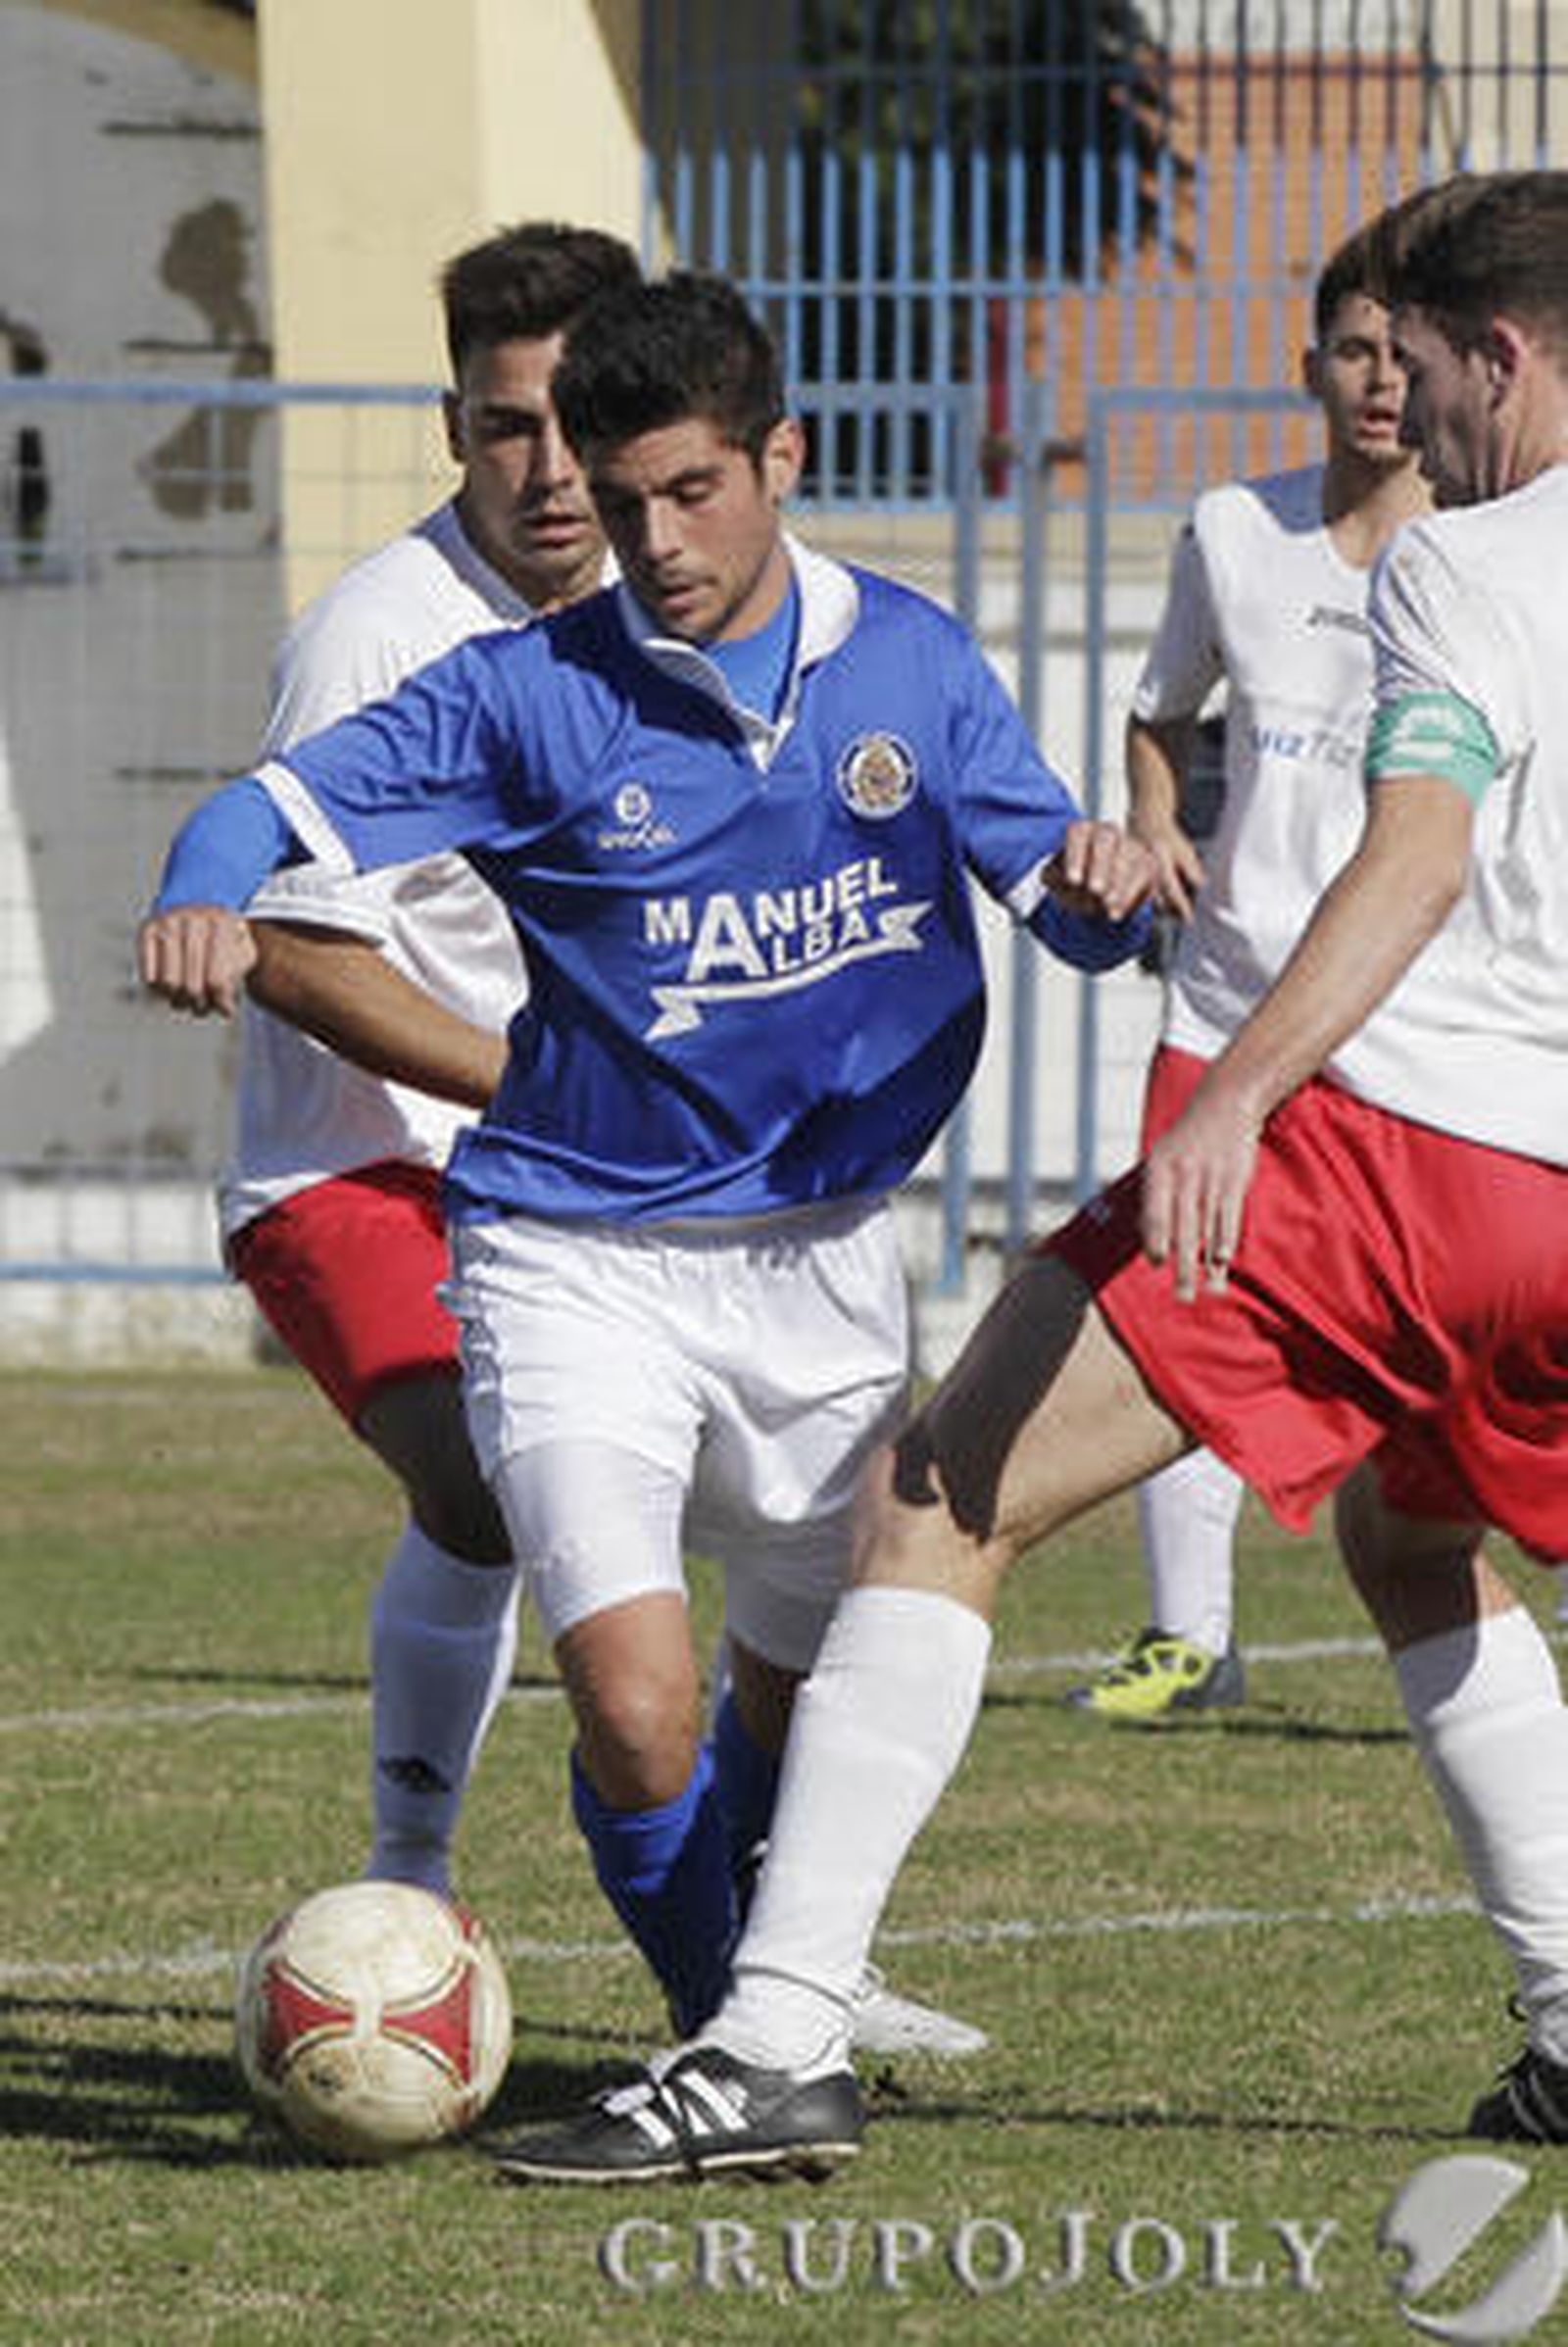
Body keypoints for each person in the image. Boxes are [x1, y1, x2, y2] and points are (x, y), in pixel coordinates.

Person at [493, 171, 1568, 2182]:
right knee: (1415, 1543)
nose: (1396, 417)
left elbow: (1413, 855)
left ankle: (773, 2033)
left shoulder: (1461, 565)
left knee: (934, 1492)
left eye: (1411, 369)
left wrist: (1234, 1093)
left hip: (1395, 1150)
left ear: (1495, 354)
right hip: (1554, 1205)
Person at [137, 271, 1154, 2055]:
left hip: (827, 1253)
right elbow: (262, 808)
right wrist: (199, 887)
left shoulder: (905, 659)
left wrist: (1104, 889)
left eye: (690, 493)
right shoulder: (531, 692)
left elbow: (1059, 906)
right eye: (622, 507)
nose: (654, 541)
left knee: (789, 1692)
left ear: (783, 456)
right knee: (634, 1698)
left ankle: (777, 1980)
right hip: (571, 1250)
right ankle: (733, 2036)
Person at [219, 222, 640, 1902]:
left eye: (575, 423)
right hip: (355, 1168)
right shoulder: (375, 640)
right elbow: (293, 946)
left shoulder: (674, 614)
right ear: (449, 423)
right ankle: (410, 1892)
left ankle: (778, 1941)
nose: (546, 472)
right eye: (501, 427)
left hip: (580, 1170)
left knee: (796, 1516)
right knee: (482, 1482)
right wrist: (533, 1081)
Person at [1068, 222, 1430, 1722]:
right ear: (1311, 368)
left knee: (1451, 1346)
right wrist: (1158, 821)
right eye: (1356, 352)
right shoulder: (1234, 530)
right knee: (1180, 1289)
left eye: (1408, 357)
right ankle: (1190, 1639)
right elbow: (1164, 713)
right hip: (1224, 1000)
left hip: (1410, 1012)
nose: (1383, 384)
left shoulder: (1490, 555)